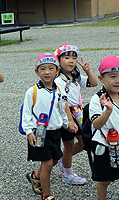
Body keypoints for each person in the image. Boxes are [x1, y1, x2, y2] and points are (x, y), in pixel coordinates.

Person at [22, 53, 70, 200]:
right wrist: (29, 131)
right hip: (39, 133)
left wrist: (67, 124)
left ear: (57, 71)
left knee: (54, 160)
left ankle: (34, 175)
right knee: (48, 164)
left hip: (55, 132)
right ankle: (46, 195)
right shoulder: (32, 91)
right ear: (37, 71)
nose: (47, 72)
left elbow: (61, 109)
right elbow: (26, 113)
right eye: (42, 69)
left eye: (51, 68)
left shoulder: (59, 91)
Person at [54, 44, 98, 185]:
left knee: (85, 141)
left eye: (74, 57)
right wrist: (69, 120)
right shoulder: (58, 80)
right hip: (67, 114)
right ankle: (67, 174)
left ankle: (62, 159)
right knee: (68, 144)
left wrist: (88, 70)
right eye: (67, 57)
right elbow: (63, 101)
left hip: (78, 113)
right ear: (58, 60)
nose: (71, 61)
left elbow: (94, 83)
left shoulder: (75, 76)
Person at [88, 55, 119, 200]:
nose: (117, 80)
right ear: (101, 79)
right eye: (113, 76)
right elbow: (96, 124)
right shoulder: (98, 99)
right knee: (104, 179)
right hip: (105, 145)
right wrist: (108, 111)